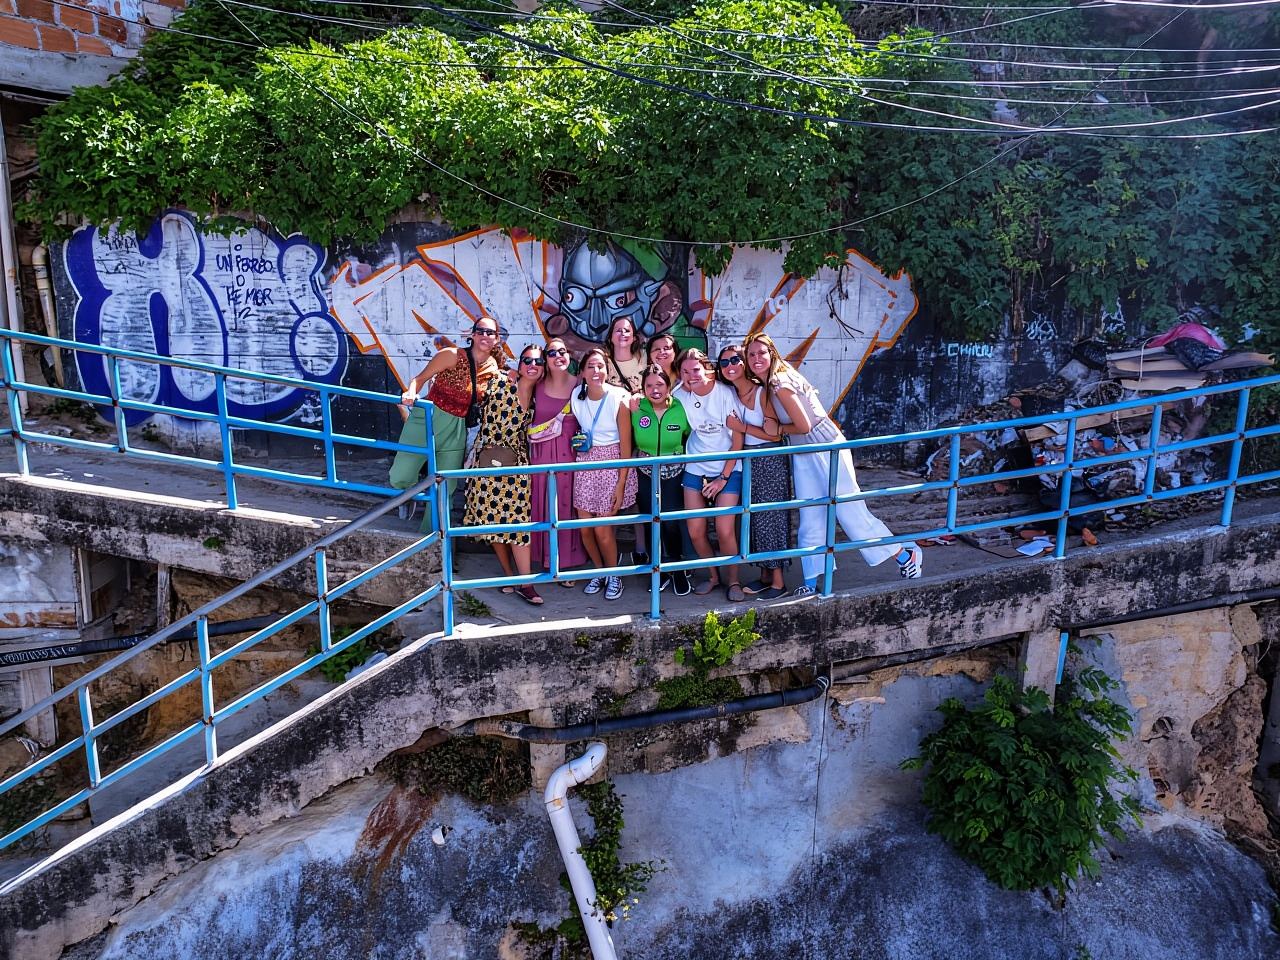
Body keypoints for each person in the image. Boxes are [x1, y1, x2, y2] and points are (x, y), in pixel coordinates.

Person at [742, 332, 921, 597]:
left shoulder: (780, 382)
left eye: (762, 353)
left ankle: (905, 556)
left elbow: (804, 425)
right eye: (752, 354)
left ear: (772, 354)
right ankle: (811, 583)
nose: (757, 358)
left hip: (826, 449)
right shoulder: (769, 382)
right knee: (811, 518)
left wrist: (778, 427)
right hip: (804, 452)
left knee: (850, 512)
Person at [391, 317, 504, 531]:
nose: (485, 335)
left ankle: (432, 534)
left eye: (490, 332)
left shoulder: (493, 368)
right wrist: (411, 392)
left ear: (497, 339)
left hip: (457, 428)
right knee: (400, 475)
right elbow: (420, 378)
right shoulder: (452, 355)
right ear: (472, 335)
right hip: (427, 419)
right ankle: (407, 494)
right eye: (480, 331)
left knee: (446, 485)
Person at [463, 344, 543, 605]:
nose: (533, 365)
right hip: (486, 462)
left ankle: (526, 583)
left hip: (515, 467)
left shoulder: (538, 396)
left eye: (538, 362)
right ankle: (509, 576)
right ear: (519, 365)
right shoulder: (500, 380)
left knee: (518, 525)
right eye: (527, 360)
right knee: (493, 521)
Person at [673, 348, 745, 602]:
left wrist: (723, 478)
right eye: (685, 371)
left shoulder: (724, 393)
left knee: (725, 529)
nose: (691, 375)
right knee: (695, 531)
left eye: (695, 369)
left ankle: (733, 580)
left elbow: (738, 438)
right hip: (696, 466)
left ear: (707, 369)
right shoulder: (678, 395)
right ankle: (713, 576)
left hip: (727, 468)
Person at [721, 342, 792, 600]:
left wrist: (740, 427)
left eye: (735, 360)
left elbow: (773, 436)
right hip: (750, 461)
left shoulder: (763, 392)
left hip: (769, 460)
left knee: (770, 518)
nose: (730, 366)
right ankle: (764, 575)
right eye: (725, 362)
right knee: (754, 519)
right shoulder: (730, 393)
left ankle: (778, 582)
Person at [570, 347, 637, 601]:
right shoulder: (577, 395)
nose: (596, 371)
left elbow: (626, 445)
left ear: (607, 370)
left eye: (601, 366)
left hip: (611, 463)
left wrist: (621, 484)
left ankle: (614, 575)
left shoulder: (619, 398)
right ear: (583, 371)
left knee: (602, 529)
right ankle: (600, 571)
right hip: (585, 462)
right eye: (591, 366)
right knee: (585, 527)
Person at [528, 337, 587, 583]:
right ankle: (545, 560)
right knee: (543, 507)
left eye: (562, 351)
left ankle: (565, 563)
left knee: (566, 509)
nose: (558, 356)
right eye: (551, 353)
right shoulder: (536, 385)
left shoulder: (580, 384)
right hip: (541, 458)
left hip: (569, 457)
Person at [631, 364, 693, 596]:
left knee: (671, 522)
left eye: (660, 384)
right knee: (650, 520)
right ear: (643, 388)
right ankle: (657, 570)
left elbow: (689, 436)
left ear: (668, 386)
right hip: (645, 472)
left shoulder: (680, 408)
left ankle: (676, 568)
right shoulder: (636, 408)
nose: (655, 390)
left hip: (673, 472)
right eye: (649, 385)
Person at [604, 316, 645, 393]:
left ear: (634, 338)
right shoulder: (603, 364)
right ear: (610, 337)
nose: (623, 333)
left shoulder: (644, 361)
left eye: (626, 330)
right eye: (618, 330)